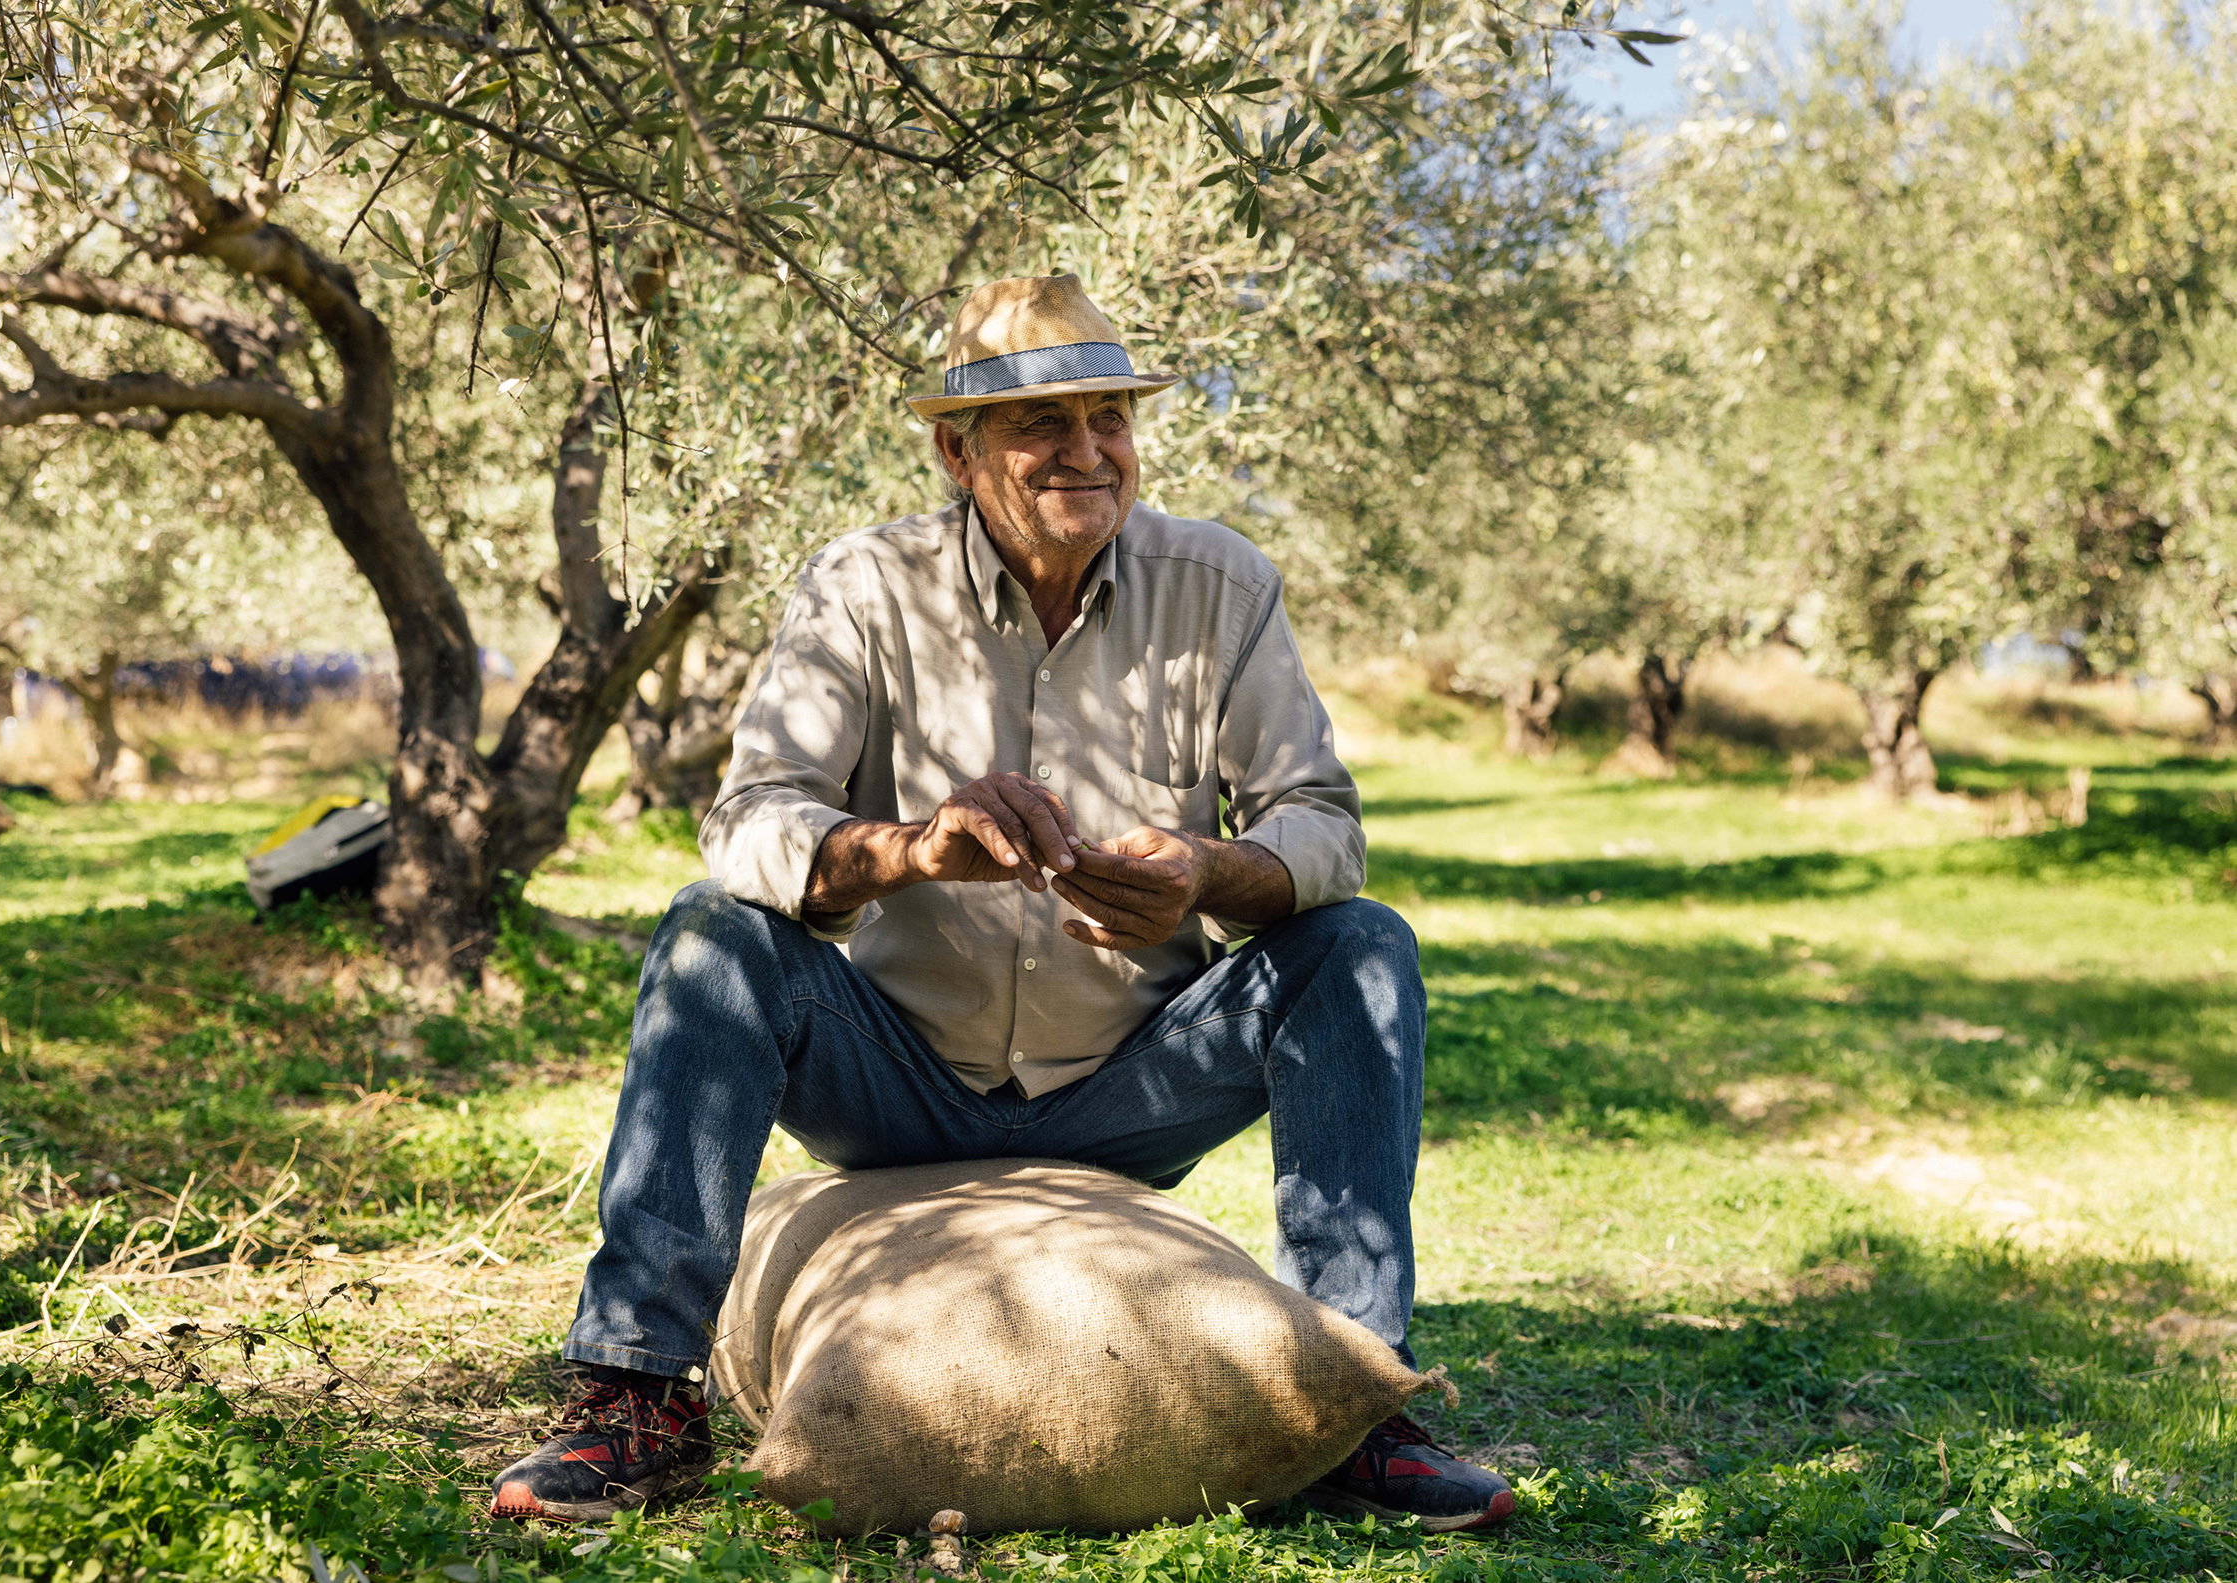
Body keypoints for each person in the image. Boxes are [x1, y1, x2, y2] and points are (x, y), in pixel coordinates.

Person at [489, 275, 1516, 1534]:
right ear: (955, 449)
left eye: (1110, 420)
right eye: (1044, 426)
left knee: (1356, 947)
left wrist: (1201, 870)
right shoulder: (860, 587)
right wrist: (910, 851)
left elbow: (1323, 824)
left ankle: (1355, 1399)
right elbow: (748, 819)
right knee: (715, 932)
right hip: (897, 1082)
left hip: (1134, 1082)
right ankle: (634, 1393)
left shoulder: (1223, 584)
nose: (1087, 452)